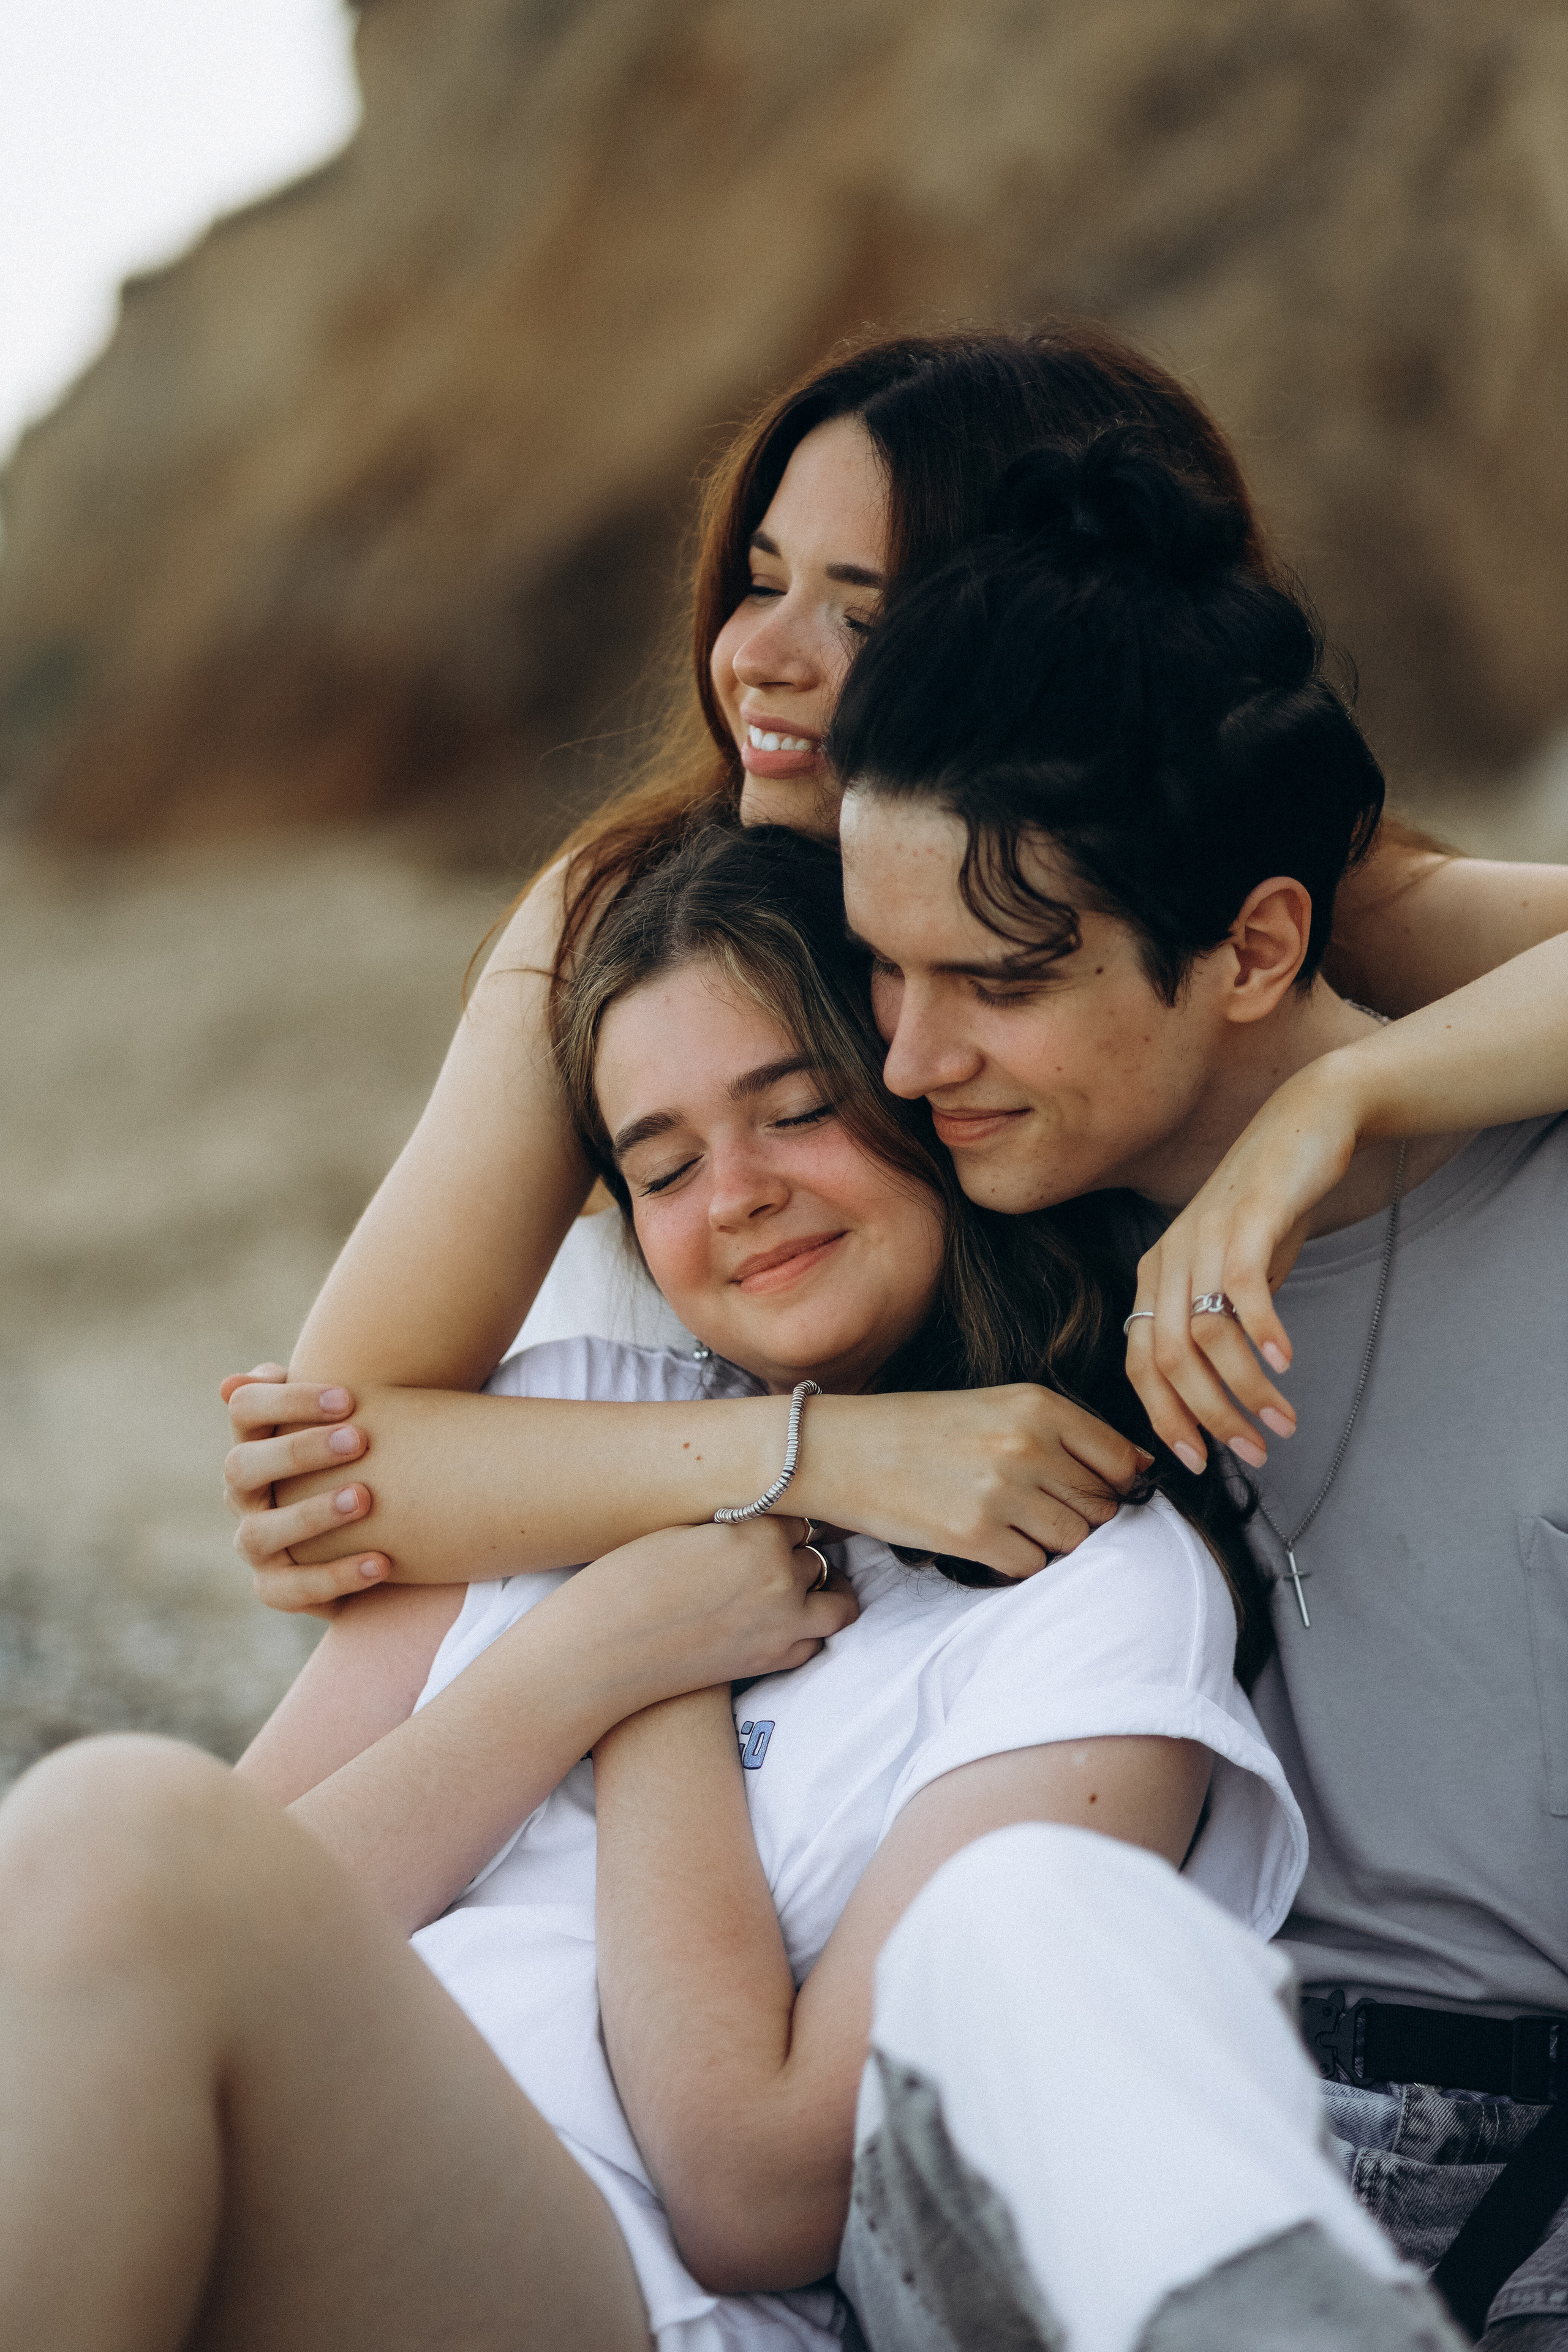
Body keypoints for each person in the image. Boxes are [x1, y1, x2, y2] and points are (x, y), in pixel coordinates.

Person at [0, 824, 1317, 2352]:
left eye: (796, 1111)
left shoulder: (1090, 1590)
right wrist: (594, 1643)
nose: (738, 1195)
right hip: (291, 2203)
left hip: (630, 2293)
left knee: (118, 1822)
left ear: (921, 1089)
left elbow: (758, 2195)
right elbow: (208, 1937)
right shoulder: (574, 1432)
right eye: (666, 1165)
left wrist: (660, 1694)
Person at [221, 323, 1568, 1611]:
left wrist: (1333, 1101)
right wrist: (828, 1456)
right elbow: (322, 1475)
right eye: (760, 579)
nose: (754, 655)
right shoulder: (634, 908)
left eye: (857, 614)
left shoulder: (1199, 856)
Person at [823, 426, 1568, 2345]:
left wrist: (1345, 1094)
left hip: (1541, 2191)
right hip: (1128, 2124)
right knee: (1011, 1921)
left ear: (1255, 948)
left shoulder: (1534, 1179)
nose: (909, 1062)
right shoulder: (946, 1256)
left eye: (998, 980)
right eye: (882, 973)